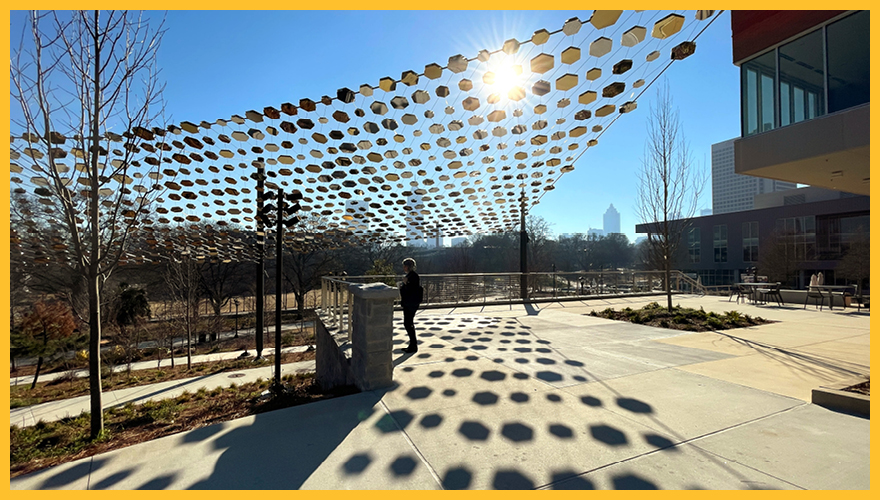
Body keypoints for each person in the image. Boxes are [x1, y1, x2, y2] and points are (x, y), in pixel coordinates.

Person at [399, 257, 421, 353]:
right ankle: (412, 344)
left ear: (408, 266)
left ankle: (413, 345)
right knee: (408, 323)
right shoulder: (411, 275)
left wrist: (405, 283)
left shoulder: (413, 276)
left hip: (411, 303)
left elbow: (410, 290)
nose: (404, 267)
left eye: (405, 266)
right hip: (409, 302)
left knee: (408, 323)